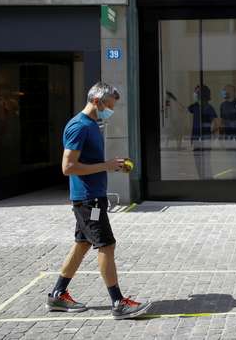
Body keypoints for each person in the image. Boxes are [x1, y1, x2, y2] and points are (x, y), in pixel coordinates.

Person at [46, 82, 151, 319]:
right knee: (106, 245)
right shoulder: (79, 126)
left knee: (83, 244)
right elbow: (67, 167)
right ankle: (118, 303)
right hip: (88, 201)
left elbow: (88, 162)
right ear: (96, 101)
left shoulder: (93, 124)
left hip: (93, 197)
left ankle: (57, 294)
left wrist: (113, 166)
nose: (110, 110)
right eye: (109, 106)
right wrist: (106, 165)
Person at [188, 85, 217, 179]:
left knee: (205, 161)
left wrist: (212, 134)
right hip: (196, 139)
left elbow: (214, 122)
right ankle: (202, 179)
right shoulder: (195, 106)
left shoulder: (209, 107)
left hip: (205, 139)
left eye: (196, 92)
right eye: (195, 92)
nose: (194, 94)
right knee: (198, 161)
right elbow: (185, 109)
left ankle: (208, 179)